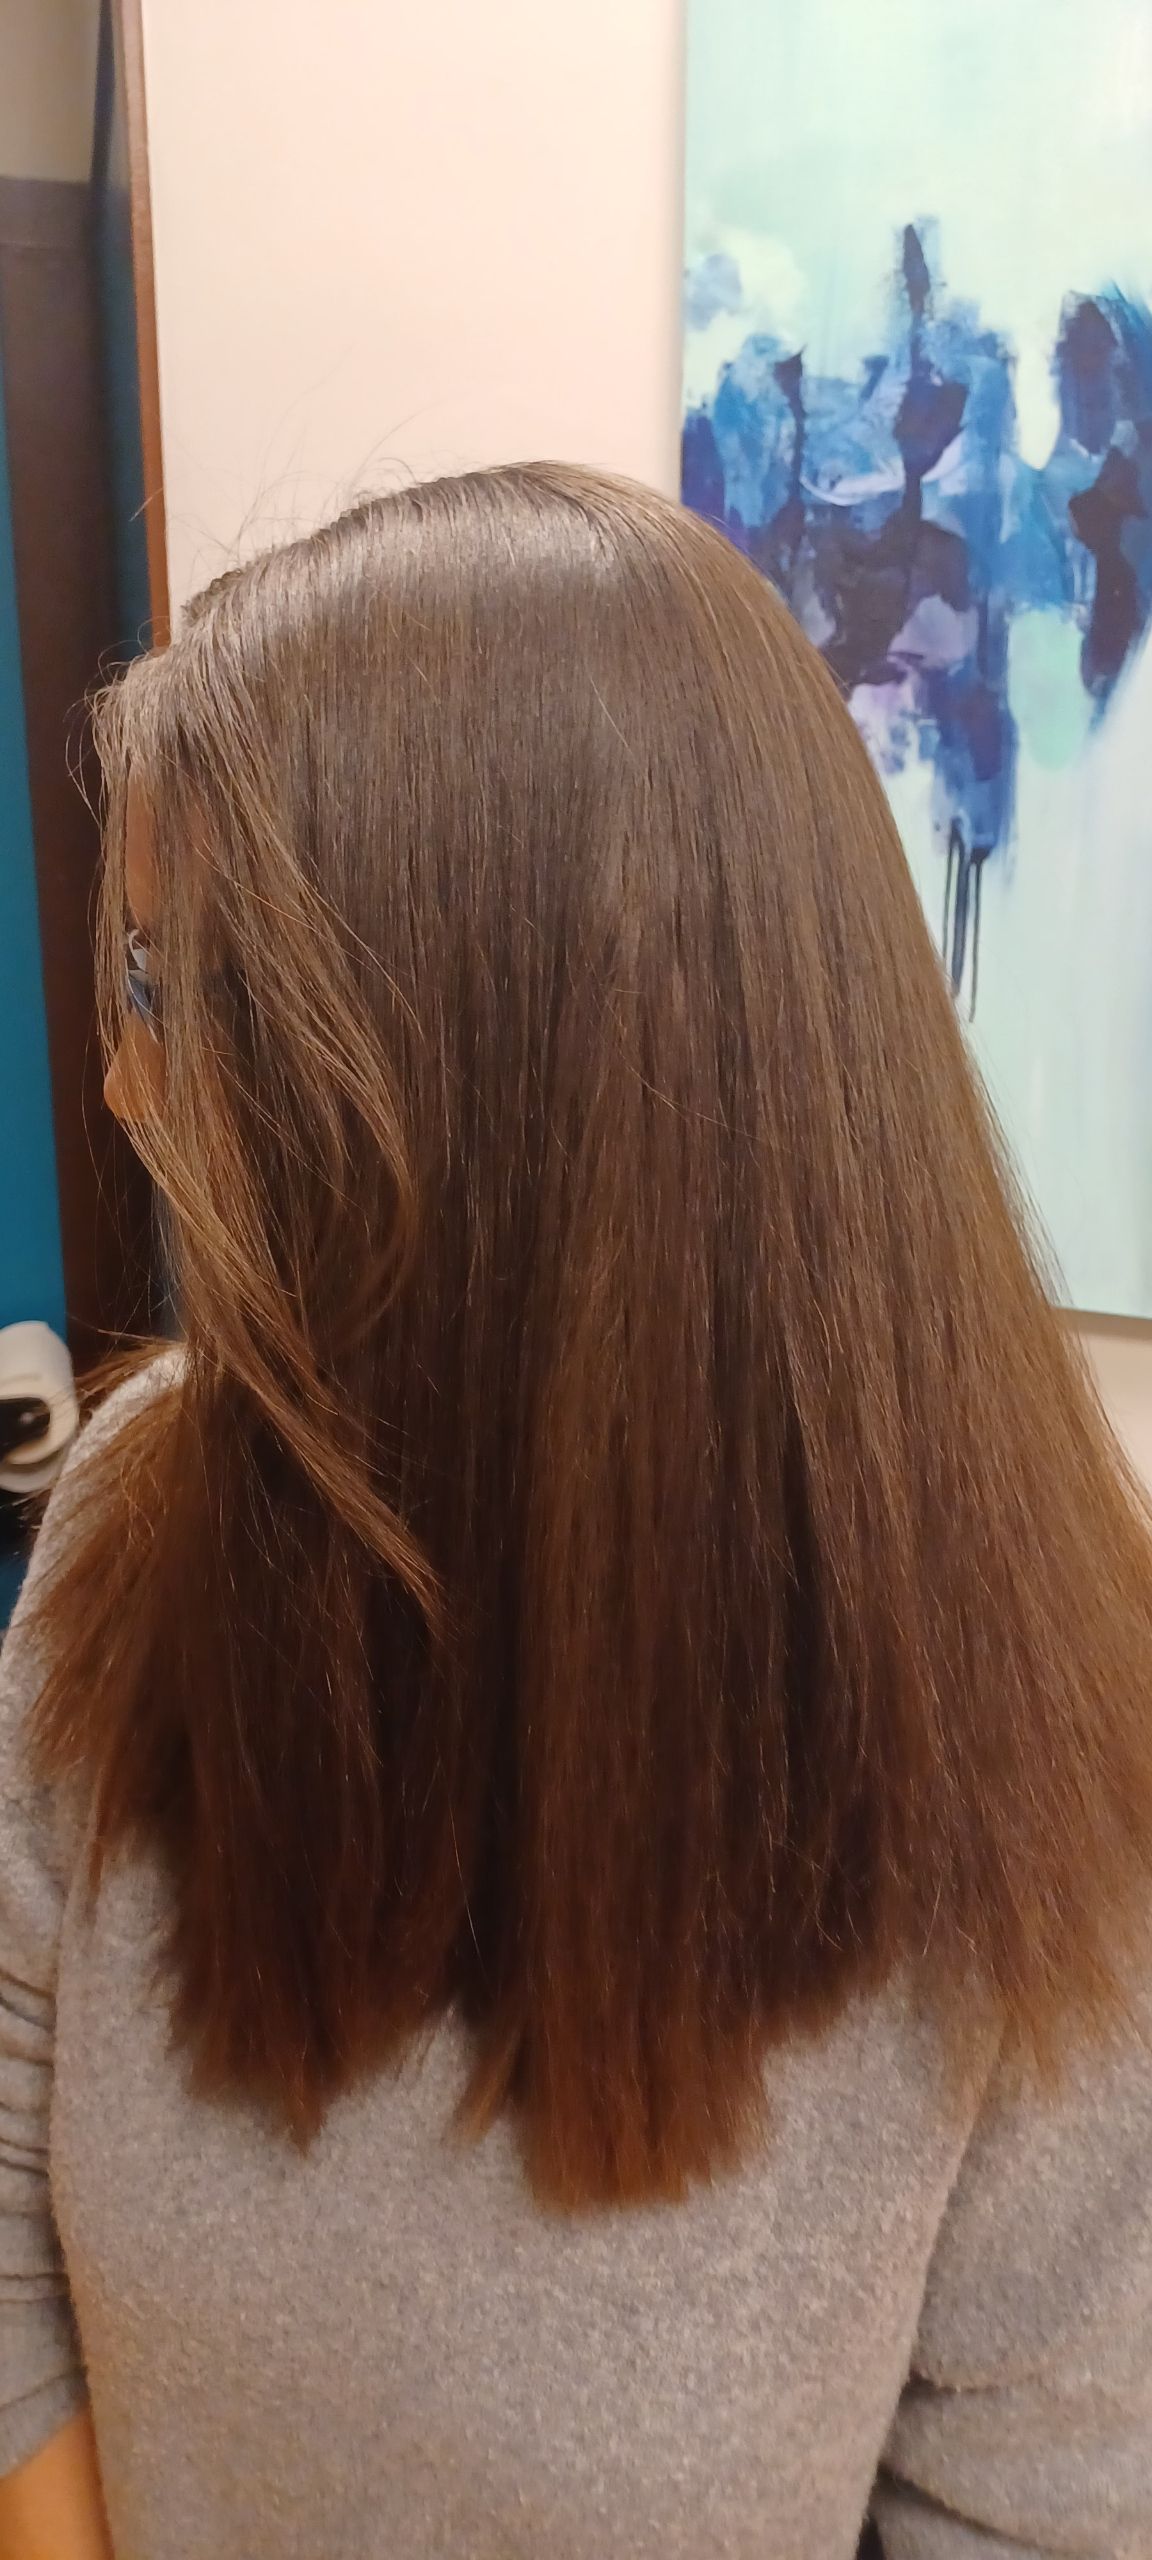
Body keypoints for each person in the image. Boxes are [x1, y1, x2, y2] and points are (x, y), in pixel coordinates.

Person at [0, 464, 1150, 2560]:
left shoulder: (1043, 1758)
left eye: (177, 996)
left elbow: (1043, 2504)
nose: (123, 1086)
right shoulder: (141, 1519)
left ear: (484, 1091)